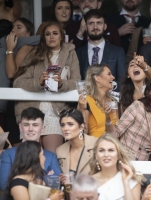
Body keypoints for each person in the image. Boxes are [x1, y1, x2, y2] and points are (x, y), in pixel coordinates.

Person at [13, 21, 81, 153]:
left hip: (56, 112)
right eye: (47, 34)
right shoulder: (35, 54)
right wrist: (37, 82)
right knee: (31, 157)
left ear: (61, 36)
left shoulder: (70, 53)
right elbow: (18, 82)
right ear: (43, 38)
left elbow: (77, 82)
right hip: (32, 112)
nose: (51, 37)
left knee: (52, 155)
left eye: (55, 33)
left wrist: (62, 84)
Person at [0, 107, 62, 191]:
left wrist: (18, 178)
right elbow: (5, 185)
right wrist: (46, 177)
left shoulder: (51, 156)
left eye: (35, 125)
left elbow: (57, 183)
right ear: (20, 127)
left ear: (43, 128)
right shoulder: (8, 154)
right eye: (26, 125)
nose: (30, 129)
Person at [75, 9, 126, 89]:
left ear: (105, 26)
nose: (95, 27)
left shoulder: (118, 52)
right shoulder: (78, 53)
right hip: (84, 100)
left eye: (99, 23)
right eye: (91, 23)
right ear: (85, 27)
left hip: (110, 99)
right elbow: (75, 81)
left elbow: (123, 82)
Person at [89, 134, 143, 200]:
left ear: (118, 155)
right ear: (96, 156)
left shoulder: (132, 180)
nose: (106, 154)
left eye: (111, 150)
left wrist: (125, 183)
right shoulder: (88, 182)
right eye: (101, 150)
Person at [77, 64, 118, 138]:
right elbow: (82, 133)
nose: (113, 77)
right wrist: (82, 110)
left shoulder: (113, 101)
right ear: (97, 78)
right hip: (95, 145)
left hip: (114, 144)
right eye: (109, 74)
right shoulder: (86, 101)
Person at [57, 109, 97, 176]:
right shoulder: (60, 150)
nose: (65, 128)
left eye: (70, 124)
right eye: (62, 125)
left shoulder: (96, 145)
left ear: (81, 127)